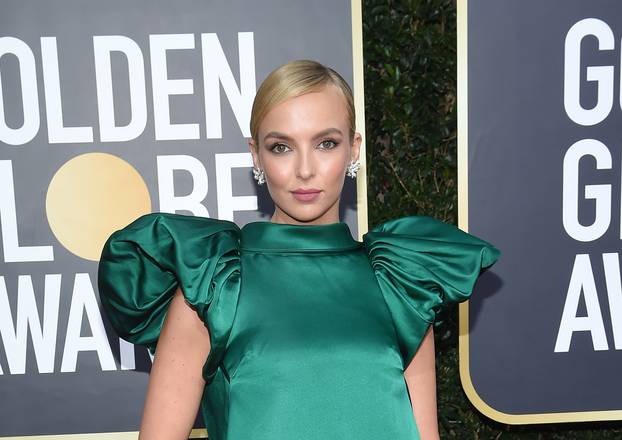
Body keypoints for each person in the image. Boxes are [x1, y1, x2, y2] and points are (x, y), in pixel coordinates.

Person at [97, 59, 499, 440]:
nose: (305, 169)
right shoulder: (216, 284)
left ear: (354, 149)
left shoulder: (398, 282)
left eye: (325, 143)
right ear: (255, 154)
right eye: (281, 147)